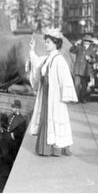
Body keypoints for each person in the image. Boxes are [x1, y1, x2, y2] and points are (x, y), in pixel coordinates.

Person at [27, 29, 78, 157]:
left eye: (48, 42)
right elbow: (36, 63)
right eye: (45, 42)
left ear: (55, 43)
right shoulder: (47, 58)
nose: (46, 44)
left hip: (55, 96)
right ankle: (46, 148)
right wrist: (32, 49)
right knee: (46, 118)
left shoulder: (59, 59)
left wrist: (66, 95)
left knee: (56, 118)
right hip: (46, 94)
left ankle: (57, 148)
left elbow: (65, 77)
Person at [69, 35, 96, 103]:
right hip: (78, 70)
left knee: (84, 85)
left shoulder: (92, 49)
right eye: (84, 40)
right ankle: (76, 99)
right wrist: (75, 44)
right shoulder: (79, 47)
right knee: (77, 85)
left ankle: (83, 98)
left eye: (87, 41)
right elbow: (71, 50)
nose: (85, 42)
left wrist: (89, 59)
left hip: (86, 71)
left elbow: (94, 60)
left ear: (89, 42)